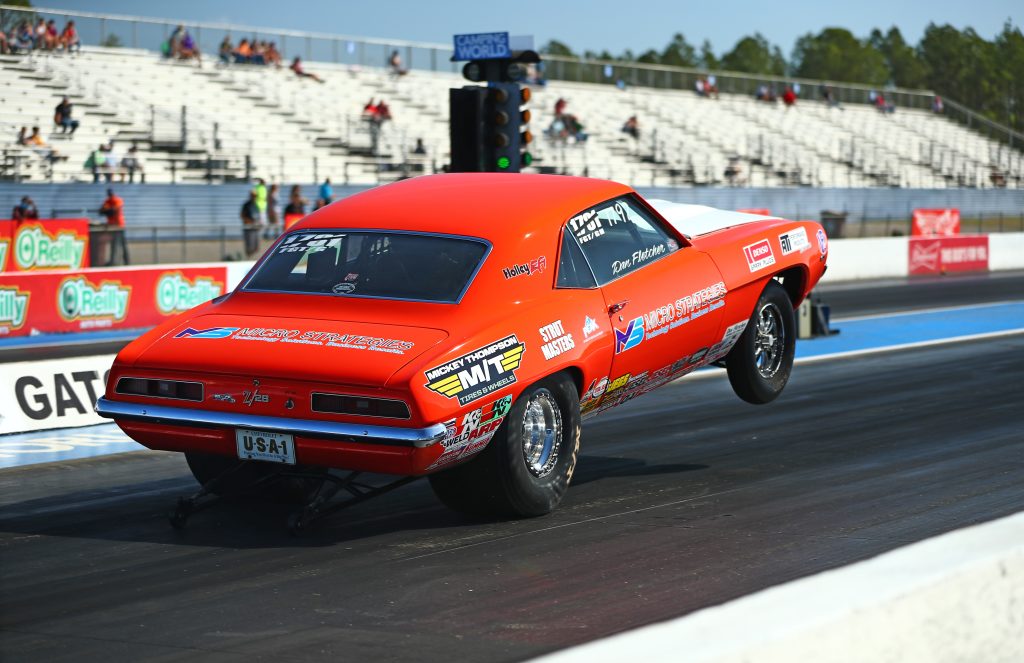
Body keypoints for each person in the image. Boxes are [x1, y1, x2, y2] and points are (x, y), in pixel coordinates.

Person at [99, 189, 128, 266]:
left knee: (122, 244)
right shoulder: (107, 201)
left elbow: (113, 210)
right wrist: (106, 210)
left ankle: (126, 261)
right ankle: (113, 261)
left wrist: (107, 210)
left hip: (119, 226)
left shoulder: (117, 200)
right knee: (113, 244)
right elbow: (101, 211)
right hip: (112, 226)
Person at [240, 191, 260, 258]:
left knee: (256, 246)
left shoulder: (256, 205)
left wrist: (258, 223)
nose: (254, 197)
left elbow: (258, 216)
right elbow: (242, 216)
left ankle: (253, 258)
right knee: (249, 247)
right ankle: (249, 257)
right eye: (253, 196)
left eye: (255, 196)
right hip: (249, 228)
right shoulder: (246, 205)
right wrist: (250, 222)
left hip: (255, 228)